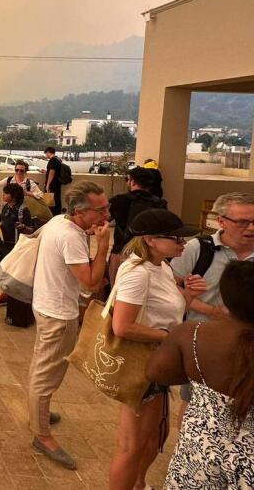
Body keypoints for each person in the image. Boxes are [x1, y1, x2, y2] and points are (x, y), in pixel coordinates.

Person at [107, 210, 206, 490]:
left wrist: (189, 297)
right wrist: (168, 336)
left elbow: (167, 312)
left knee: (152, 439)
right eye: (175, 238)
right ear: (151, 240)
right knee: (131, 445)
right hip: (142, 365)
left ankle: (139, 483)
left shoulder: (161, 266)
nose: (182, 243)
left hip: (157, 362)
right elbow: (122, 327)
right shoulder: (139, 273)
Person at [146, 259, 254, 489]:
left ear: (225, 297)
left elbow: (156, 372)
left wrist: (198, 371)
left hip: (201, 448)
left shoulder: (193, 334)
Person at [27, 181, 111, 470]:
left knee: (43, 365)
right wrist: (103, 247)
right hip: (58, 313)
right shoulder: (73, 237)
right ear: (80, 211)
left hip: (45, 303)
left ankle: (39, 411)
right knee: (46, 374)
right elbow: (90, 281)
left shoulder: (57, 222)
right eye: (100, 209)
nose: (106, 214)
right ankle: (42, 434)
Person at [171, 191, 254, 422]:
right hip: (205, 343)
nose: (250, 228)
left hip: (248, 344)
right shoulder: (198, 248)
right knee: (194, 403)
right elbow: (172, 287)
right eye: (242, 222)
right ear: (221, 221)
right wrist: (213, 311)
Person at [108, 167, 167, 286]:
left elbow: (104, 219)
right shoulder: (159, 203)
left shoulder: (118, 200)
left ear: (133, 181)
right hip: (147, 254)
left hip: (120, 252)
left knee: (116, 290)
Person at [43, 147, 63, 217]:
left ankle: (52, 215)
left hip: (53, 185)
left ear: (48, 152)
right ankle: (57, 215)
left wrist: (48, 185)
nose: (46, 155)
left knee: (51, 202)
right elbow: (54, 171)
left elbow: (52, 172)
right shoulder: (58, 159)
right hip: (57, 184)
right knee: (57, 200)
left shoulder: (52, 160)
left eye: (46, 153)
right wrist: (46, 172)